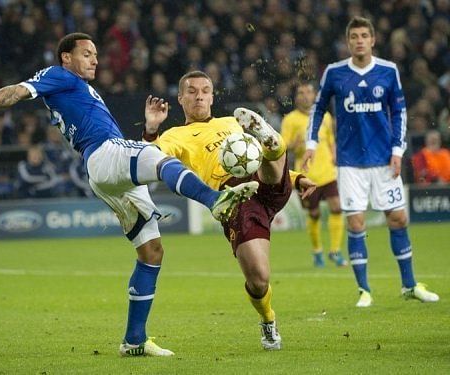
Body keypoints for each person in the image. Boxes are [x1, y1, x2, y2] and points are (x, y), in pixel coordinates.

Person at [0, 33, 259, 357]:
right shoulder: (59, 76)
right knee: (157, 158)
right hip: (104, 153)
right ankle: (215, 200)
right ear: (66, 57)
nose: (95, 59)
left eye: (95, 54)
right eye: (86, 53)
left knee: (152, 251)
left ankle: (134, 341)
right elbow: (17, 91)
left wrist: (150, 128)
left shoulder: (79, 87)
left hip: (105, 171)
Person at [143, 70, 317, 350]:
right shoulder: (175, 136)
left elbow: (253, 157)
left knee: (266, 150)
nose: (199, 95)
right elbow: (147, 159)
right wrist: (151, 128)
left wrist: (297, 178)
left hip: (263, 179)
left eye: (204, 90)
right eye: (191, 91)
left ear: (212, 96)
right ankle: (268, 320)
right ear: (180, 98)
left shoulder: (232, 123)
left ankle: (273, 144)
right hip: (234, 198)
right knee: (259, 279)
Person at [302, 17, 439, 307]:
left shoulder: (388, 71)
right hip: (350, 163)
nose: (359, 40)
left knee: (398, 218)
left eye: (364, 35)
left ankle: (409, 285)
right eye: (354, 36)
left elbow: (400, 112)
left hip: (384, 160)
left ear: (373, 40)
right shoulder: (335, 73)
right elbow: (317, 109)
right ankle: (364, 290)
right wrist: (311, 144)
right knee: (355, 222)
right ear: (348, 41)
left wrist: (397, 151)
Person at [281, 82, 346, 268]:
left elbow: (331, 139)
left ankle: (335, 251)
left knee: (336, 207)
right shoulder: (290, 120)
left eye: (308, 92)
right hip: (306, 175)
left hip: (327, 172)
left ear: (315, 95)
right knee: (314, 213)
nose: (305, 95)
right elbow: (283, 146)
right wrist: (295, 143)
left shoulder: (324, 116)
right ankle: (317, 251)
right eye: (301, 92)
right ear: (296, 97)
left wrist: (334, 153)